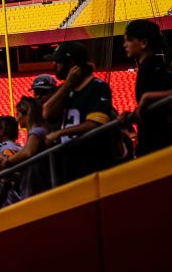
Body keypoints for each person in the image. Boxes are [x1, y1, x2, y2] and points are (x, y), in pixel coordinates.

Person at [42, 42, 120, 184]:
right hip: (69, 164)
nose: (54, 66)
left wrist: (60, 133)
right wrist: (67, 85)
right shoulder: (66, 89)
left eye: (58, 62)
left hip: (91, 161)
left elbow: (95, 124)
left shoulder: (98, 87)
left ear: (72, 64)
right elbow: (47, 113)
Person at [123, 19, 172, 156]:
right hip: (167, 138)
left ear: (143, 43)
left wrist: (147, 97)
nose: (125, 45)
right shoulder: (156, 65)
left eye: (129, 40)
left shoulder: (150, 67)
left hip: (160, 142)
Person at [0, 97, 52, 205]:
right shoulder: (37, 131)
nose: (16, 120)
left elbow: (28, 152)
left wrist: (7, 161)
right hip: (31, 191)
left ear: (27, 113)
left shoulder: (37, 131)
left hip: (37, 193)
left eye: (18, 114)